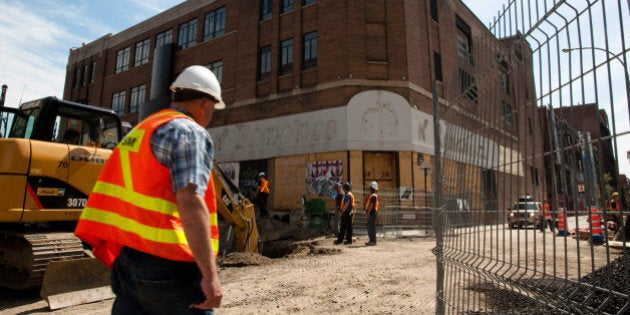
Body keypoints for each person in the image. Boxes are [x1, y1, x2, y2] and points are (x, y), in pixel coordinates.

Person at [74, 65, 225, 315]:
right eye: (213, 110)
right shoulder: (189, 132)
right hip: (168, 263)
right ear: (205, 104)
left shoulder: (142, 130)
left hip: (127, 258)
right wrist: (210, 276)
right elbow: (190, 199)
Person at [364, 181, 379, 245]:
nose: (369, 188)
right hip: (372, 214)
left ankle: (373, 241)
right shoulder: (373, 196)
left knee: (371, 228)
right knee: (370, 227)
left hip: (371, 214)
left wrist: (367, 213)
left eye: (370, 187)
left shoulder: (373, 196)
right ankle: (371, 240)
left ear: (372, 188)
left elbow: (371, 205)